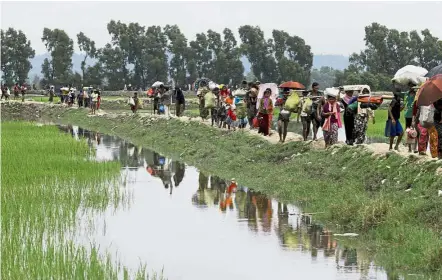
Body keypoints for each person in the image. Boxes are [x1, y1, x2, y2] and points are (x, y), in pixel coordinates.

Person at [404, 84, 418, 153]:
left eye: (412, 86)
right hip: (407, 115)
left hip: (415, 115)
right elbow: (405, 103)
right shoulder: (406, 94)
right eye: (410, 86)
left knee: (416, 131)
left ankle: (415, 147)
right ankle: (409, 148)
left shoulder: (417, 94)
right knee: (409, 131)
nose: (411, 87)